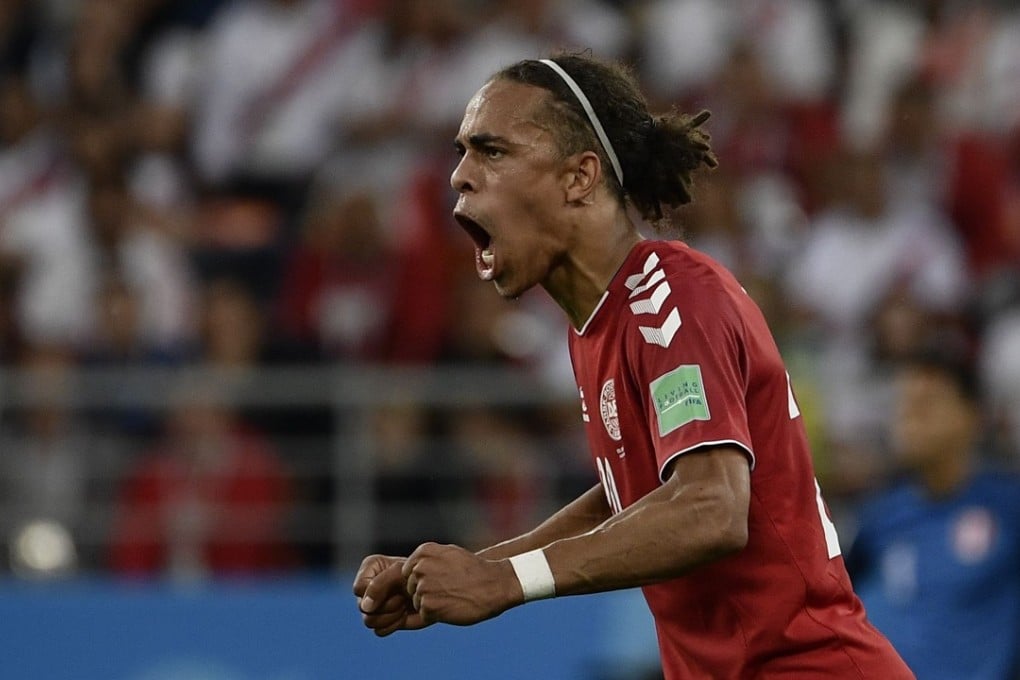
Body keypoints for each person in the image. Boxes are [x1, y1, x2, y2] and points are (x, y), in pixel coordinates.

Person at [353, 52, 913, 679]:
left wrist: (507, 580)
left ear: (579, 177)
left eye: (491, 151)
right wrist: (476, 572)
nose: (459, 176)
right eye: (461, 153)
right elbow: (636, 494)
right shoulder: (598, 325)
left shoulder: (671, 297)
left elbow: (709, 510)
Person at [846, 344, 1020, 680]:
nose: (908, 418)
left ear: (972, 415)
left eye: (926, 404)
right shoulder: (880, 518)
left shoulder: (1008, 508)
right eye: (903, 405)